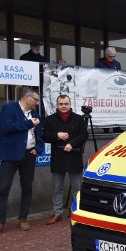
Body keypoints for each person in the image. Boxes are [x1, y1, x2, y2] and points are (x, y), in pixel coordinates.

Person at [0, 88, 44, 236]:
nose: (37, 103)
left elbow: (40, 135)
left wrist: (38, 148)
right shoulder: (9, 109)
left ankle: (23, 218)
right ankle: (0, 222)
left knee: (27, 187)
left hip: (28, 156)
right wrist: (28, 124)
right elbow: (6, 128)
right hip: (10, 155)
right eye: (35, 99)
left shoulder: (35, 115)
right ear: (27, 97)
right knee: (3, 189)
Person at [42, 94, 88, 224]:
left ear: (70, 104)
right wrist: (57, 135)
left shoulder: (78, 119)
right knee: (57, 188)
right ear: (57, 105)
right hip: (58, 158)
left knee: (77, 187)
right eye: (61, 104)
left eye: (66, 104)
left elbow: (84, 135)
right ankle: (57, 213)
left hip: (74, 156)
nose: (63, 106)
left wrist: (71, 144)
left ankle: (77, 212)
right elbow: (44, 136)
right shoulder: (50, 119)